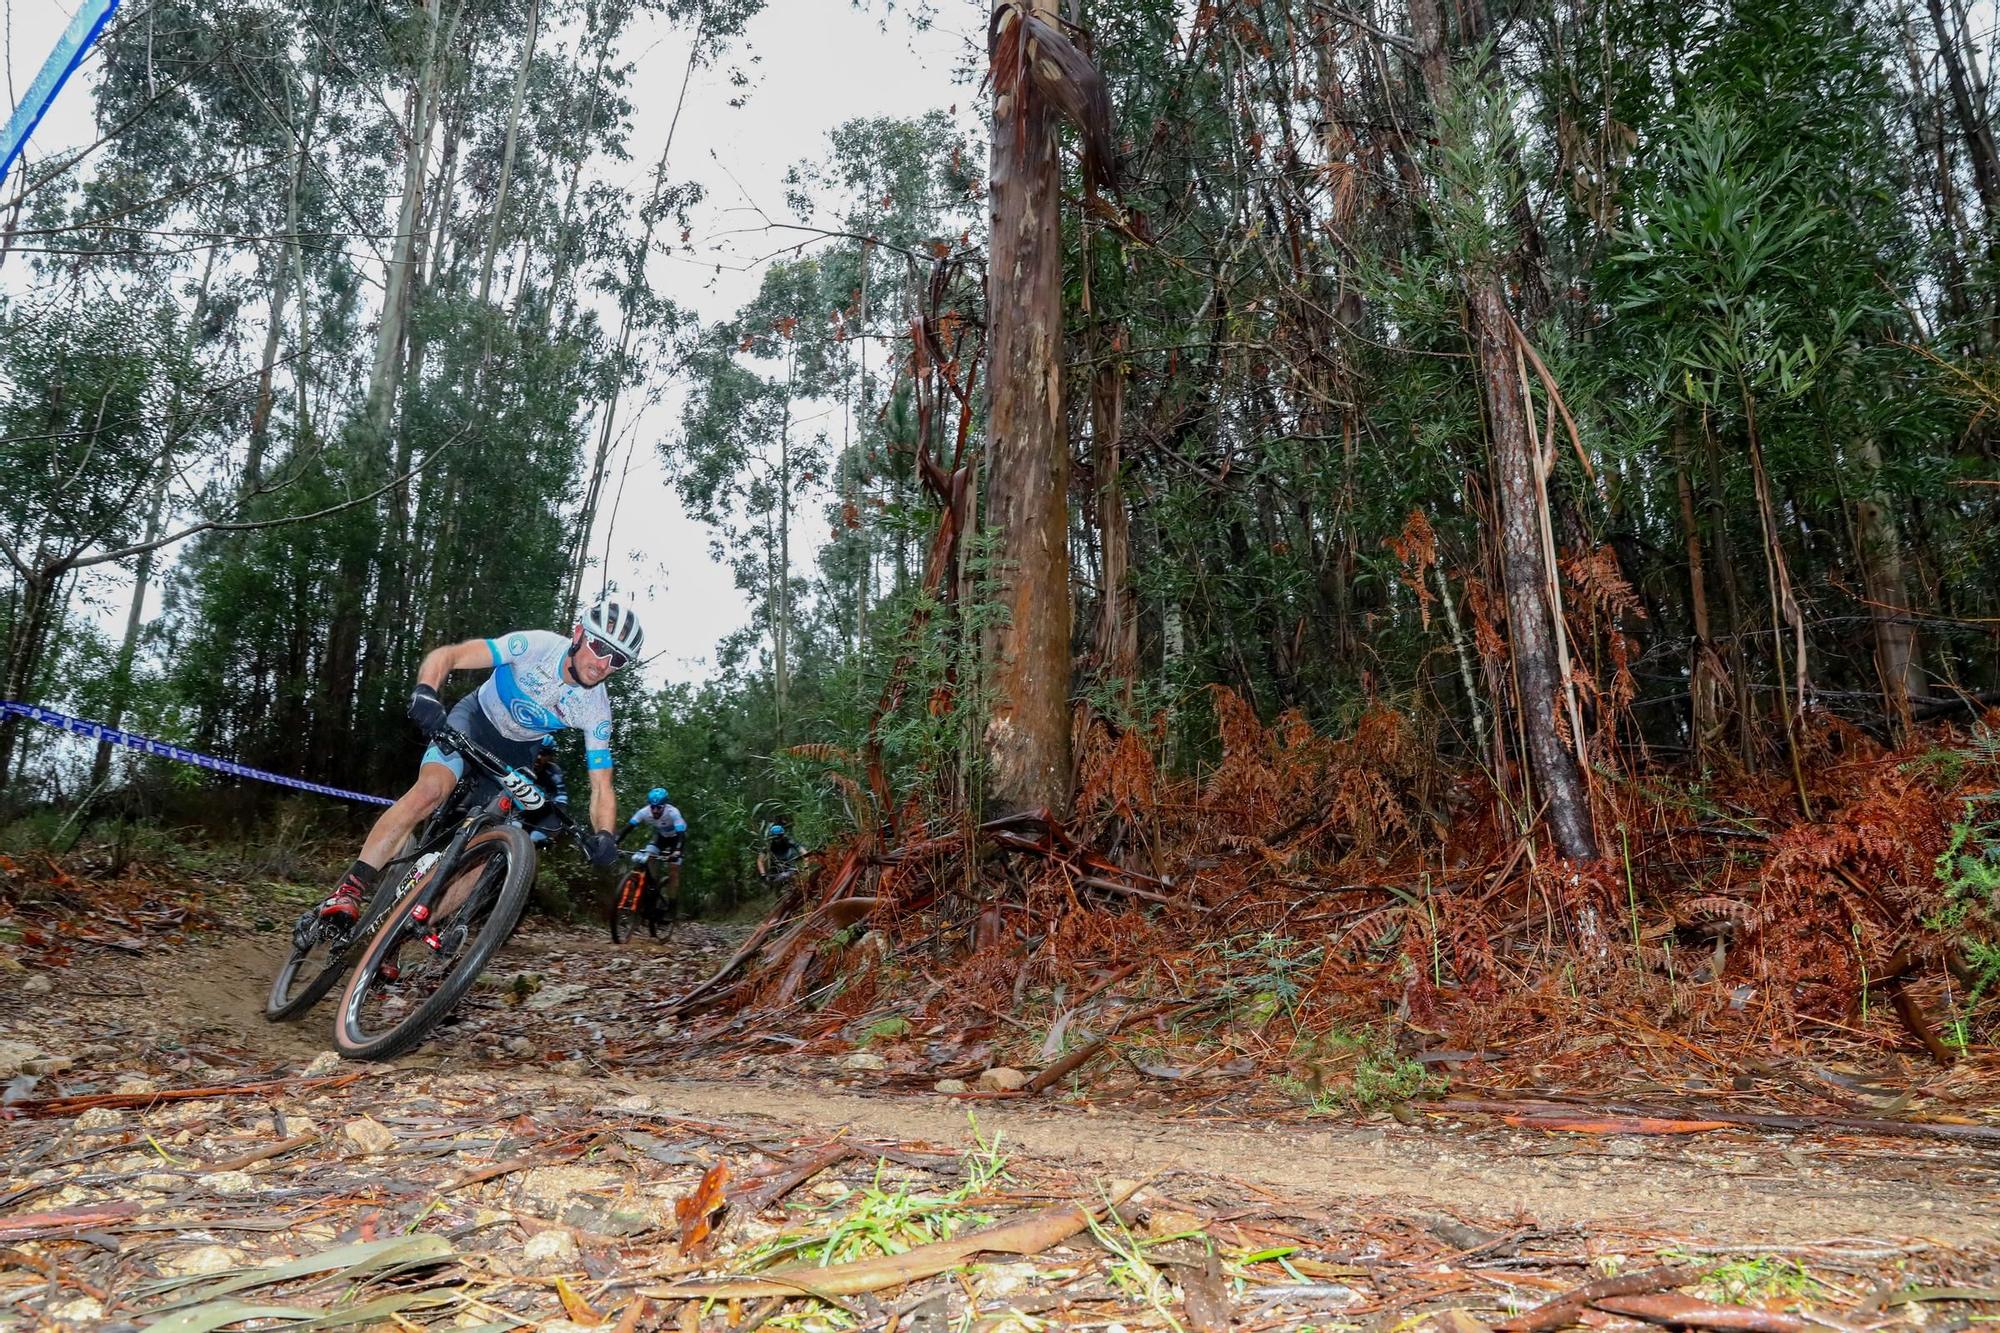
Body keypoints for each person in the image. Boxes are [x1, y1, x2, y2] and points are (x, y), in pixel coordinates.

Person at [316, 597, 643, 921]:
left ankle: (406, 933)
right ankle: (349, 890)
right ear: (577, 634)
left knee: (489, 848)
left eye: (617, 659)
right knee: (430, 790)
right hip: (474, 720)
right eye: (600, 647)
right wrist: (426, 690)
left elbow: (601, 786)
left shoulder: (596, 710)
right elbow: (450, 655)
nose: (603, 664)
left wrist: (604, 834)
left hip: (517, 753)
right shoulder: (536, 646)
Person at [618, 786, 687, 911]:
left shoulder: (673, 812)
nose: (655, 811)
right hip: (660, 837)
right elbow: (628, 827)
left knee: (673, 870)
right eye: (652, 807)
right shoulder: (644, 812)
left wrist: (677, 851)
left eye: (658, 807)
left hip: (677, 839)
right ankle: (652, 887)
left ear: (664, 805)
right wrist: (615, 842)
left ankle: (672, 904)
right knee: (647, 857)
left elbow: (681, 834)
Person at [526, 735, 568, 847]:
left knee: (533, 839)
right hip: (521, 810)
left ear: (550, 757)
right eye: (537, 751)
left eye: (544, 753)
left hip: (545, 814)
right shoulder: (521, 762)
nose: (539, 756)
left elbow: (561, 802)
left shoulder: (554, 771)